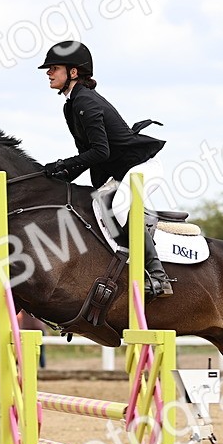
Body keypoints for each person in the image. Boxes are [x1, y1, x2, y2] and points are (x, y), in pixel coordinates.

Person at [37, 41, 173, 297]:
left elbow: (101, 152)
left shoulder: (85, 103)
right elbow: (86, 155)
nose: (48, 73)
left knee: (119, 207)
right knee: (97, 207)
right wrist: (61, 175)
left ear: (73, 72)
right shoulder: (72, 104)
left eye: (54, 68)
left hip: (141, 167)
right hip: (120, 171)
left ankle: (158, 276)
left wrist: (63, 165)